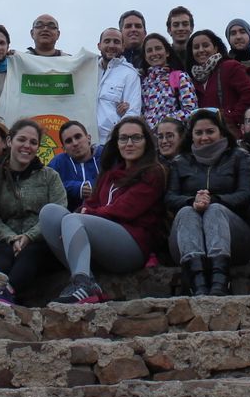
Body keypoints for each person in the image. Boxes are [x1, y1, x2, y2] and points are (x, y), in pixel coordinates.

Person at [38, 115, 166, 304]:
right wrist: (81, 215)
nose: (129, 143)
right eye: (123, 138)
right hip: (102, 246)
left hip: (132, 246)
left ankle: (83, 284)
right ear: (116, 143)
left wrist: (82, 216)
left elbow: (125, 209)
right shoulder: (110, 174)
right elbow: (91, 203)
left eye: (136, 138)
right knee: (50, 213)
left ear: (147, 142)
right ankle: (85, 278)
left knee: (72, 220)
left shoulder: (154, 172)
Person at [0, 119, 69, 306]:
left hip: (44, 243)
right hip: (7, 242)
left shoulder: (49, 176)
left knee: (30, 253)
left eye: (33, 142)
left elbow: (60, 210)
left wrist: (29, 237)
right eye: (22, 140)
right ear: (9, 141)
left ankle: (4, 292)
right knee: (2, 255)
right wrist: (12, 238)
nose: (27, 146)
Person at [166, 110, 250, 296]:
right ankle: (197, 284)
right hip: (188, 238)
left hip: (235, 238)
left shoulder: (239, 157)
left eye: (210, 131)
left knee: (215, 210)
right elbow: (170, 198)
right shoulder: (180, 161)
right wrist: (192, 201)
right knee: (187, 212)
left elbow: (246, 194)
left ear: (221, 132)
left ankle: (220, 283)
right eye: (198, 133)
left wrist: (215, 200)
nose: (204, 137)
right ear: (191, 136)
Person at [187, 28, 250, 134]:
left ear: (215, 48)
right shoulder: (191, 78)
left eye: (205, 45)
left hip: (230, 134)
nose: (201, 50)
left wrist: (230, 117)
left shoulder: (230, 66)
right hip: (205, 136)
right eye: (196, 47)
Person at [140, 34, 198, 127]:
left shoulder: (179, 77)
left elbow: (191, 110)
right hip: (149, 137)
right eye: (149, 51)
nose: (154, 53)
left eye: (158, 48)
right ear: (145, 57)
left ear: (167, 52)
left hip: (172, 135)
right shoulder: (143, 82)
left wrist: (164, 121)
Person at [95, 28, 142, 140]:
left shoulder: (130, 74)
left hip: (112, 143)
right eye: (107, 41)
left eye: (116, 42)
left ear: (123, 46)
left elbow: (132, 112)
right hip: (87, 144)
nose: (111, 45)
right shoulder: (89, 70)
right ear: (99, 45)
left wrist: (118, 139)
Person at [49, 119, 100, 211]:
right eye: (69, 141)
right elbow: (46, 187)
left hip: (105, 215)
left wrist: (93, 186)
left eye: (78, 137)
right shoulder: (58, 162)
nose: (75, 143)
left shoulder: (105, 155)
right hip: (69, 217)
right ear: (64, 148)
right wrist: (76, 188)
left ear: (88, 138)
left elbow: (119, 179)